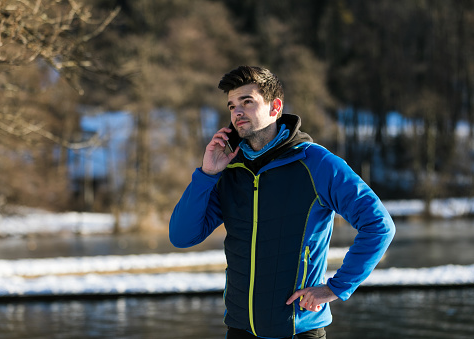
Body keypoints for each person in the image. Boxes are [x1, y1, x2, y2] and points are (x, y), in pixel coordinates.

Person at [169, 66, 395, 339]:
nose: (237, 112)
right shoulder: (230, 171)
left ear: (275, 107)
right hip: (240, 329)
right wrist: (206, 175)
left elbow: (379, 225)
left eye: (247, 102)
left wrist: (336, 288)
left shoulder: (316, 163)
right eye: (231, 106)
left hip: (298, 330)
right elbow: (182, 236)